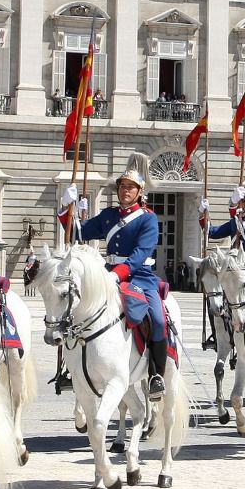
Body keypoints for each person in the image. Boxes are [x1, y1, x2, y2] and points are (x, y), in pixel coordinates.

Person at [62, 153, 171, 399]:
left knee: (158, 319)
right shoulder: (109, 216)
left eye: (130, 187)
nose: (125, 191)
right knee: (73, 308)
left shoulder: (149, 219)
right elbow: (77, 233)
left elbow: (141, 253)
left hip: (139, 277)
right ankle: (68, 369)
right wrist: (67, 208)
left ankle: (156, 374)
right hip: (107, 273)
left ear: (140, 191)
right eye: (122, 186)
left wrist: (118, 274)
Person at [202, 178, 245, 260]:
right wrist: (202, 213)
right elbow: (212, 232)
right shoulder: (236, 222)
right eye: (244, 201)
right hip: (234, 263)